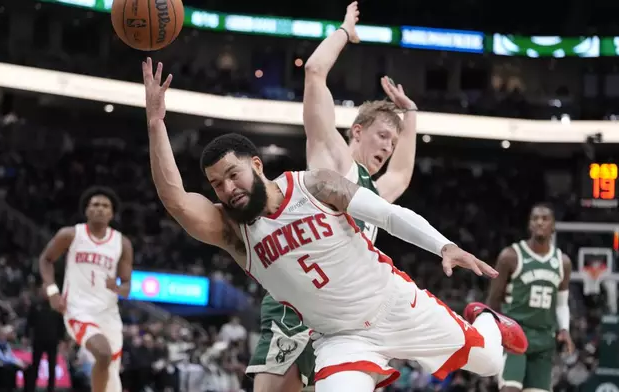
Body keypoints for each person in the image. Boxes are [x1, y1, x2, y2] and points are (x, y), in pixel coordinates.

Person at [143, 57, 528, 392]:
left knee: (491, 362)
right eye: (217, 184)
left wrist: (443, 245)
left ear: (256, 165)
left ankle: (487, 319)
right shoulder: (234, 232)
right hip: (342, 339)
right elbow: (176, 199)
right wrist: (156, 124)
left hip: (395, 304)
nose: (228, 189)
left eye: (233, 174)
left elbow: (388, 215)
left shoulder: (313, 184)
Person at [248, 3, 419, 390]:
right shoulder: (335, 160)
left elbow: (403, 173)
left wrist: (411, 114)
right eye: (382, 136)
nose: (388, 147)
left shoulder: (376, 192)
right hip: (298, 306)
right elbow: (313, 71)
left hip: (340, 320)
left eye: (393, 142)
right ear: (357, 131)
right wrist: (345, 32)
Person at [38, 186, 134, 392]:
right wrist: (52, 291)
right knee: (103, 354)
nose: (100, 209)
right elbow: (46, 259)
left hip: (109, 314)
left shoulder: (122, 243)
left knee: (111, 374)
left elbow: (127, 286)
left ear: (112, 213)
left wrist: (117, 287)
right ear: (87, 210)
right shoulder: (71, 234)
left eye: (105, 206)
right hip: (78, 310)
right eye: (95, 205)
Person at [486, 203, 574, 392]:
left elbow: (561, 304)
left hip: (544, 339)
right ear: (529, 225)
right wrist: (490, 331)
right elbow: (493, 299)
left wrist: (565, 329)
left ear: (553, 226)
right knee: (511, 389)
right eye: (535, 218)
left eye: (545, 218)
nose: (540, 222)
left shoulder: (562, 262)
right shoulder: (510, 256)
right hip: (515, 334)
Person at [24, 287, 66, 392]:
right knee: (35, 366)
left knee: (52, 367)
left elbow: (61, 323)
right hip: (38, 340)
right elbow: (29, 322)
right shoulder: (35, 304)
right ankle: (31, 388)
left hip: (52, 341)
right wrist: (25, 335)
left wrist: (62, 339)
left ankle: (50, 389)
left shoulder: (56, 306)